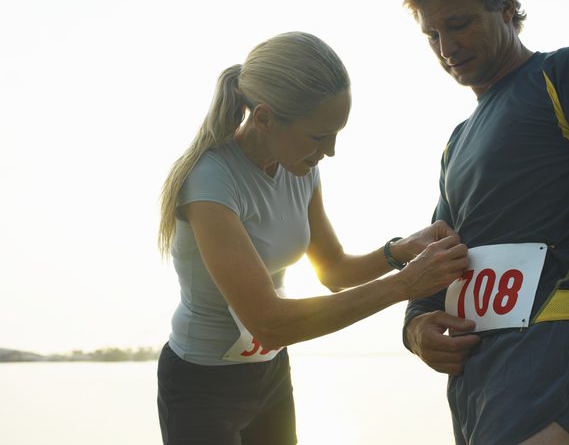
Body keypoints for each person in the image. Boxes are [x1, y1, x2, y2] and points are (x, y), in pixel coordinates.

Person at [156, 31, 468, 445]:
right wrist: (407, 285)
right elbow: (268, 323)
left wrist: (399, 252)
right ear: (264, 118)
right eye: (319, 136)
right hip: (201, 387)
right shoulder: (209, 182)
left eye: (337, 132)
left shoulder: (300, 167)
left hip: (269, 374)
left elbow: (334, 269)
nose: (332, 151)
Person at [400, 0, 569, 444]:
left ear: (507, 10)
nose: (447, 48)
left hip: (559, 352)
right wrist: (416, 329)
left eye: (461, 23)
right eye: (433, 34)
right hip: (477, 384)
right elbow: (435, 266)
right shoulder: (456, 142)